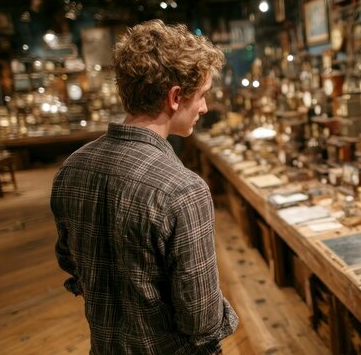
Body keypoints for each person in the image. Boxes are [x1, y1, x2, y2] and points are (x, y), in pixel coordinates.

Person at [50, 19, 238, 354]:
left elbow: (70, 261)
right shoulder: (183, 189)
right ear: (176, 97)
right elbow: (202, 320)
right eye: (203, 95)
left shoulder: (72, 167)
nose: (205, 108)